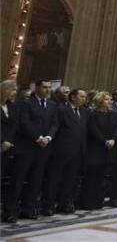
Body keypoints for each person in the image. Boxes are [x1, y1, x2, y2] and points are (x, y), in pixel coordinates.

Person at [9, 79, 59, 220]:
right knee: (18, 179)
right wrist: (38, 137)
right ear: (36, 88)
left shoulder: (52, 105)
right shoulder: (26, 103)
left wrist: (48, 137)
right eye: (44, 87)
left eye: (49, 87)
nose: (48, 90)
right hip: (27, 147)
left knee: (36, 180)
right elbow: (24, 122)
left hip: (44, 148)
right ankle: (11, 210)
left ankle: (28, 208)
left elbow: (55, 124)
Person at [44, 87, 88, 214]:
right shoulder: (61, 109)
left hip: (78, 151)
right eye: (81, 96)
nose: (84, 99)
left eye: (85, 97)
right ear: (73, 97)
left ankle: (64, 203)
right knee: (54, 179)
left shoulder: (84, 112)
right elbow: (56, 127)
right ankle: (49, 205)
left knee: (70, 179)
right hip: (61, 150)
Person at [83, 91, 117, 210]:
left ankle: (99, 200)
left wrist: (113, 139)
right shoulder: (93, 113)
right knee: (92, 177)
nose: (109, 101)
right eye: (107, 99)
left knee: (102, 177)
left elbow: (116, 128)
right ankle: (88, 201)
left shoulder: (113, 114)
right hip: (95, 148)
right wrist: (104, 140)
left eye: (110, 99)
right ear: (100, 101)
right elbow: (93, 129)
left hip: (108, 150)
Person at [1, 80, 19, 223]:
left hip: (8, 148)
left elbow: (14, 126)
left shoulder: (12, 107)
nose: (15, 93)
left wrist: (8, 141)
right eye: (12, 90)